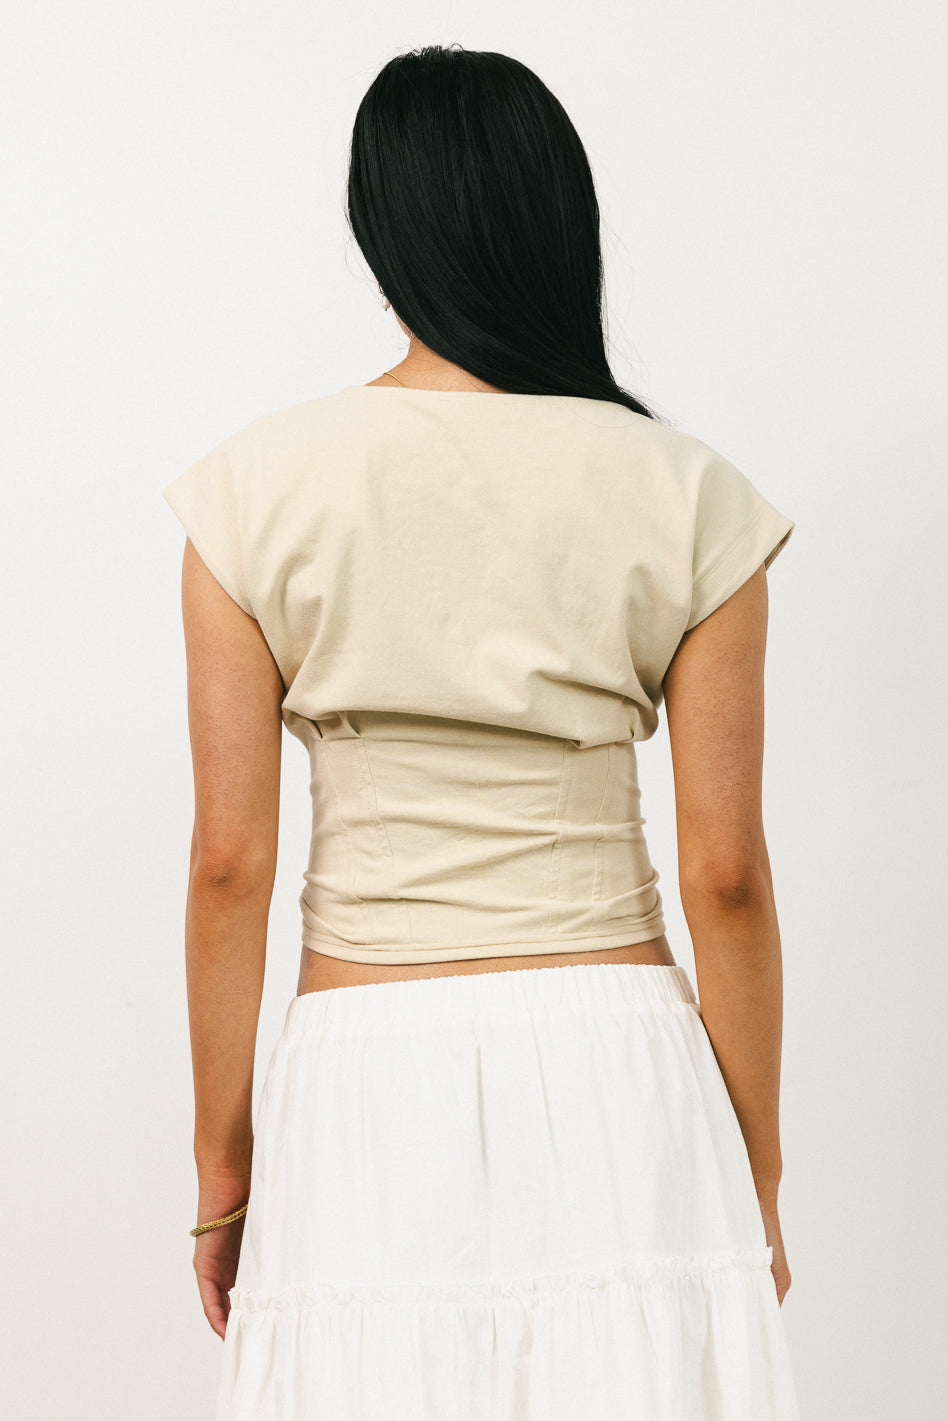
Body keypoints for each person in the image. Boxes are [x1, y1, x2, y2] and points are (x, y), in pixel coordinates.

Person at [163, 43, 801, 1421]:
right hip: (621, 1063)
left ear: (378, 231)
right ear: (558, 221)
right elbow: (726, 874)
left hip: (364, 1072)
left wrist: (224, 1164)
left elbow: (228, 862)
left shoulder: (250, 492)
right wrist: (752, 1164)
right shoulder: (687, 491)